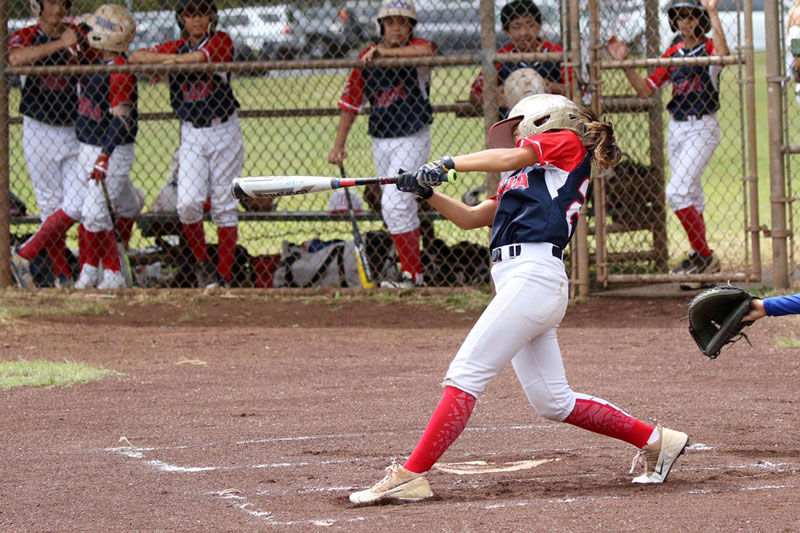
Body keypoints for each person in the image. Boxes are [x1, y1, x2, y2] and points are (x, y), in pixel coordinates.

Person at [348, 94, 690, 505]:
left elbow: (511, 158)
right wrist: (426, 193)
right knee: (553, 401)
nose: (514, 139)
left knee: (465, 374)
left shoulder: (566, 142)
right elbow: (473, 217)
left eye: (518, 128)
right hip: (524, 283)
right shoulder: (525, 176)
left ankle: (411, 474)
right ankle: (657, 441)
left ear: (544, 119)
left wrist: (448, 163)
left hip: (533, 276)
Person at [607, 0, 729, 286]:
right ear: (674, 21)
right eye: (680, 16)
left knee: (677, 192)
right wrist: (625, 65)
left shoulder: (707, 48)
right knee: (691, 195)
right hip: (677, 128)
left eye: (692, 16)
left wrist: (712, 10)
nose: (686, 22)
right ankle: (702, 260)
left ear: (700, 20)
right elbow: (645, 90)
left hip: (702, 125)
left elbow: (723, 55)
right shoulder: (673, 53)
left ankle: (704, 255)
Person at [130, 0, 244, 288]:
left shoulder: (221, 40)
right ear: (182, 18)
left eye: (202, 12)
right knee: (188, 204)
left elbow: (200, 59)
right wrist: (167, 62)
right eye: (190, 13)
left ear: (211, 17)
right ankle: (203, 266)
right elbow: (136, 57)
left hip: (224, 130)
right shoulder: (175, 47)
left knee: (224, 206)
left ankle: (226, 277)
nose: (196, 19)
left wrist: (168, 64)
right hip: (191, 133)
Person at [328, 0, 434, 289]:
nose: (396, 28)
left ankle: (411, 275)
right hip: (381, 139)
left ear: (411, 27)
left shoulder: (420, 45)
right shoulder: (367, 57)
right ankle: (414, 275)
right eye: (390, 22)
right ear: (382, 26)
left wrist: (383, 52)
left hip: (413, 136)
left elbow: (424, 54)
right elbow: (351, 102)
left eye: (402, 22)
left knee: (395, 202)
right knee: (397, 207)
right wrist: (339, 145)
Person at [7, 0, 84, 288]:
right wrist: (58, 44)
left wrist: (74, 39)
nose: (59, 8)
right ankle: (61, 276)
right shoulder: (26, 34)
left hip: (74, 129)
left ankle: (24, 252)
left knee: (78, 205)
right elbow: (15, 59)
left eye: (63, 2)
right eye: (51, 2)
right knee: (50, 206)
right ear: (37, 6)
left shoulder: (77, 35)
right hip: (38, 129)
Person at [71, 4, 138, 290]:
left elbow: (121, 121)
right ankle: (94, 271)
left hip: (110, 150)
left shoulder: (120, 71)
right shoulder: (99, 61)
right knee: (103, 209)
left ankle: (110, 273)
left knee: (95, 214)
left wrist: (104, 156)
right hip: (89, 146)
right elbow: (78, 35)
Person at [469, 0, 566, 118]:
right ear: (507, 31)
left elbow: (577, 89)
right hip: (513, 125)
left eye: (530, 24)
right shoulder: (501, 58)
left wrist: (554, 88)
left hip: (551, 121)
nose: (524, 32)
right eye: (516, 27)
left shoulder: (556, 53)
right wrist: (495, 96)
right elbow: (474, 95)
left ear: (539, 26)